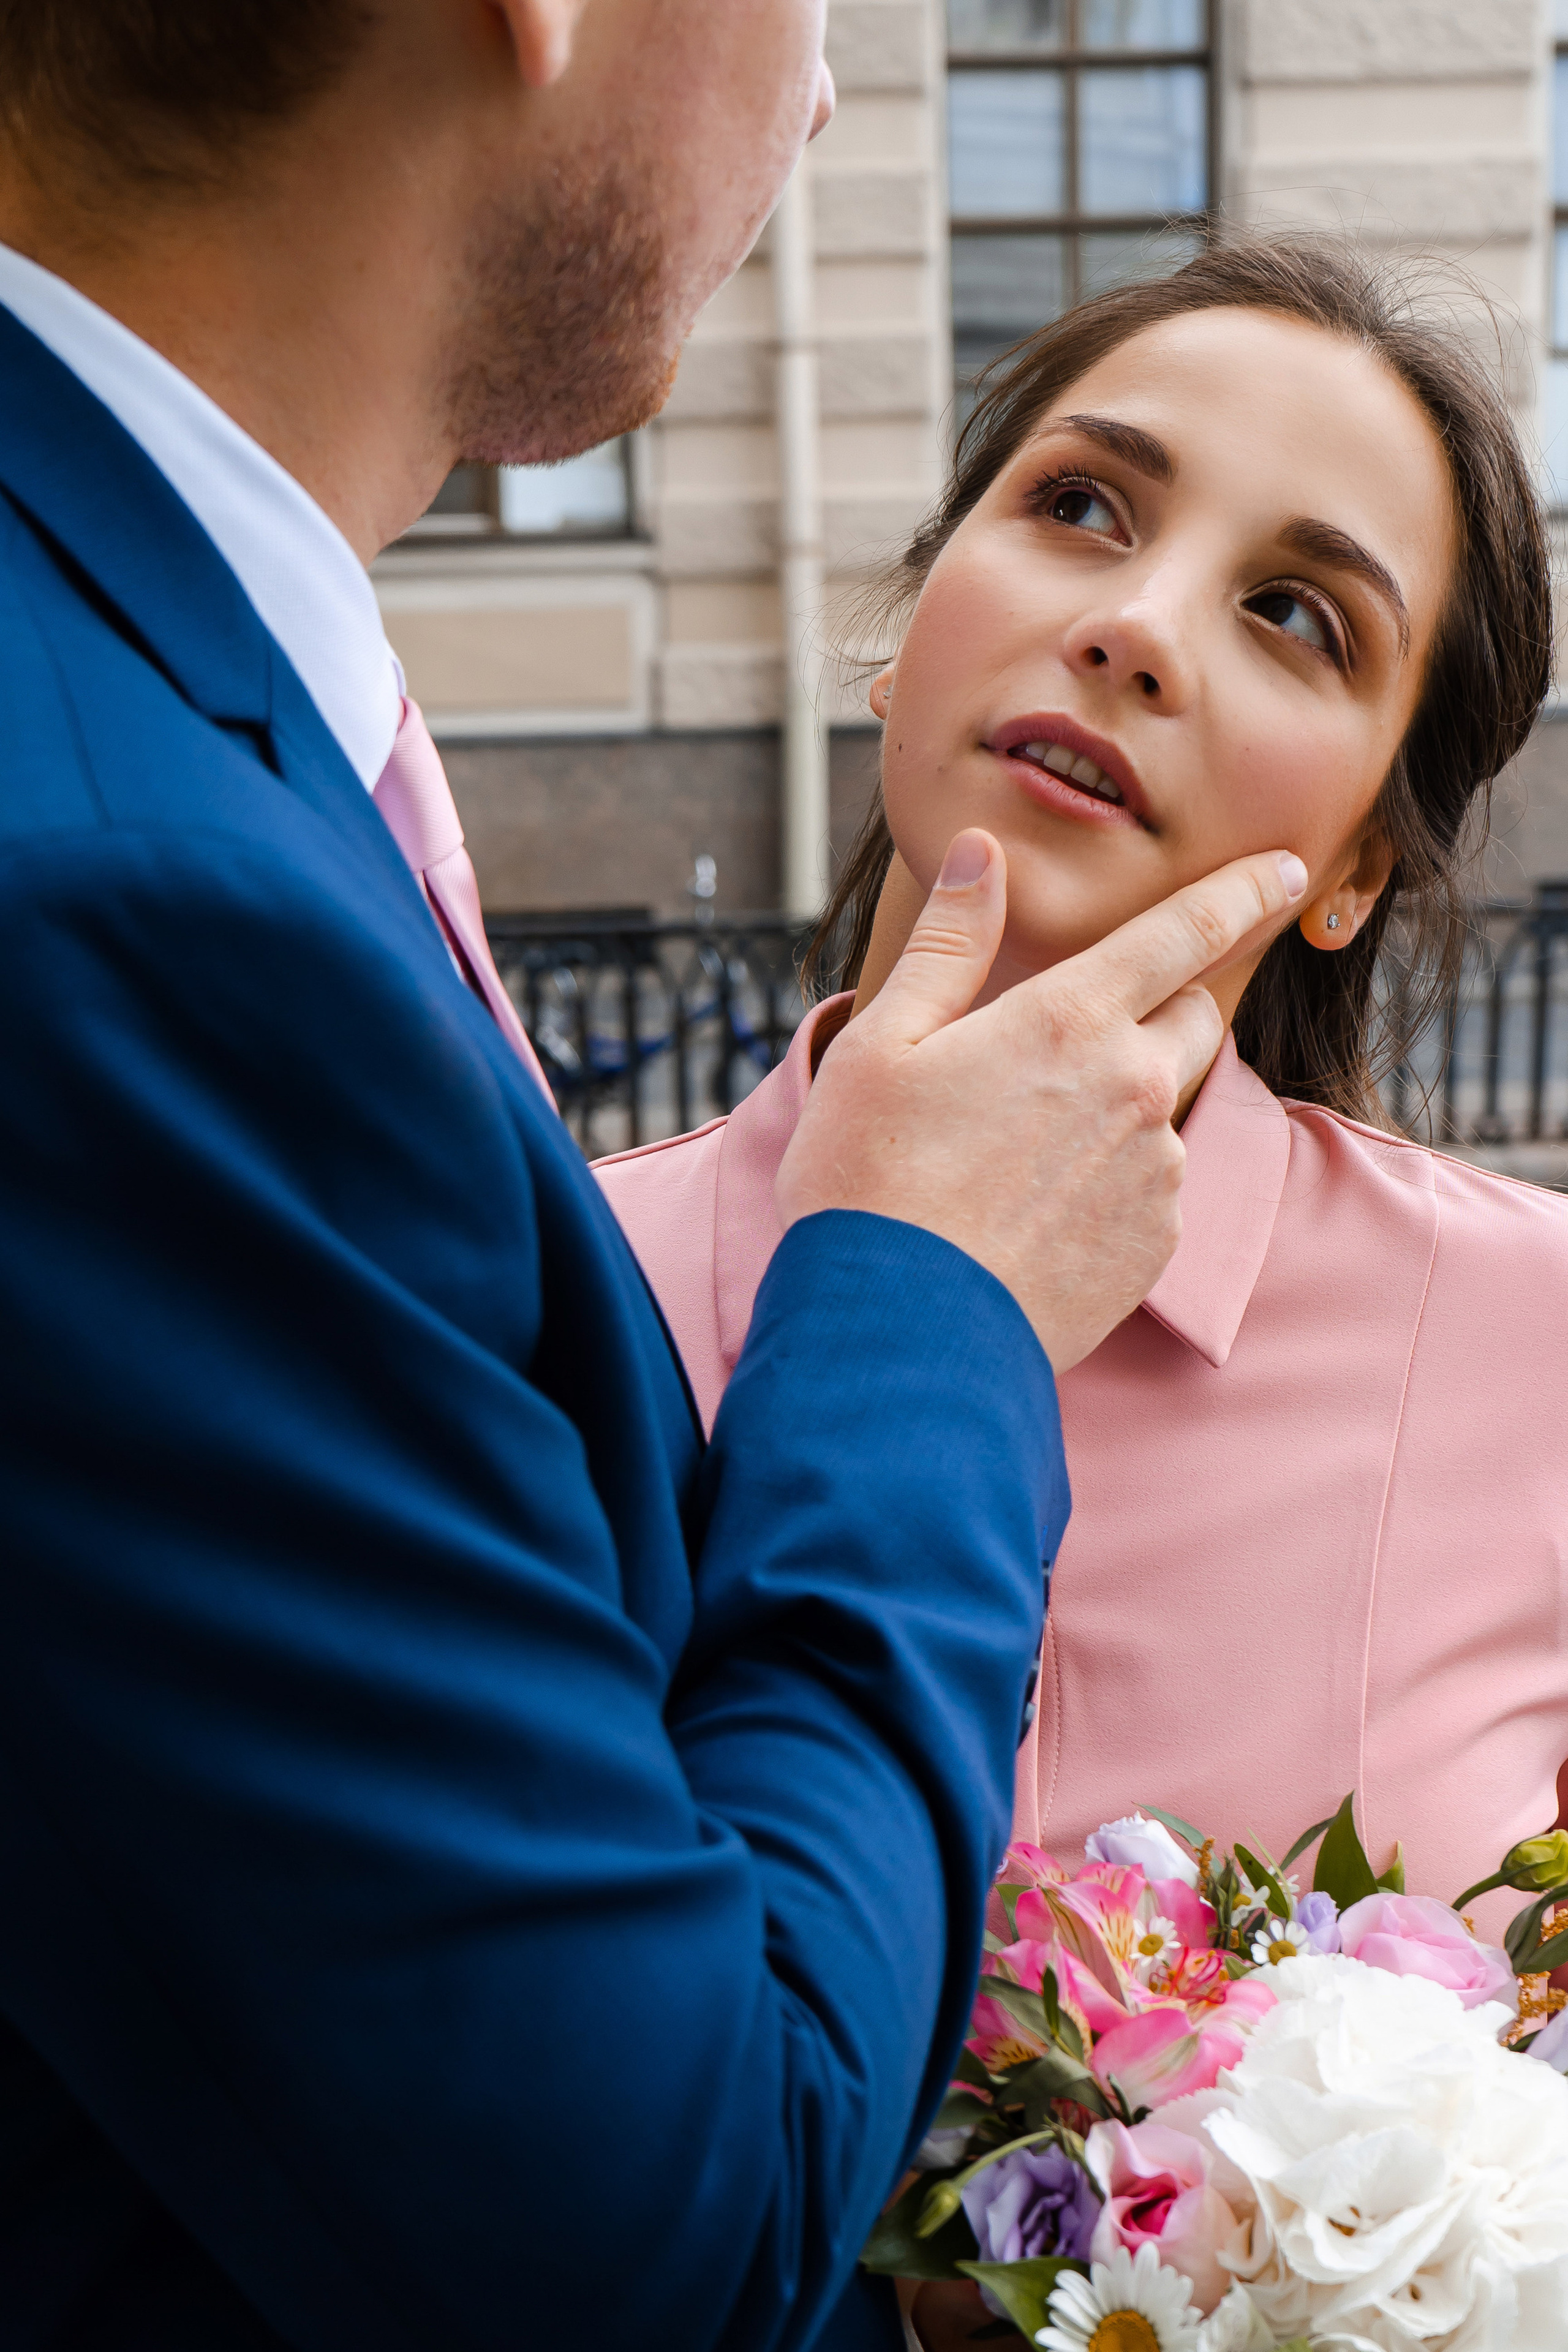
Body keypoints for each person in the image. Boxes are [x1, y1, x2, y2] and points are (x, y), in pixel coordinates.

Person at [0, 7, 1310, 2350]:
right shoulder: (129, 899)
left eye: (1303, 609)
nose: (819, 94)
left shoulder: (182, 713)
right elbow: (659, 2243)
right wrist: (925, 1297)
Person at [598, 239, 1568, 1959]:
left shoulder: (1535, 1343)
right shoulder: (538, 1300)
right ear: (907, 634)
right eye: (1083, 507)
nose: (1131, 629)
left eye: (1296, 615)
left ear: (1356, 864)